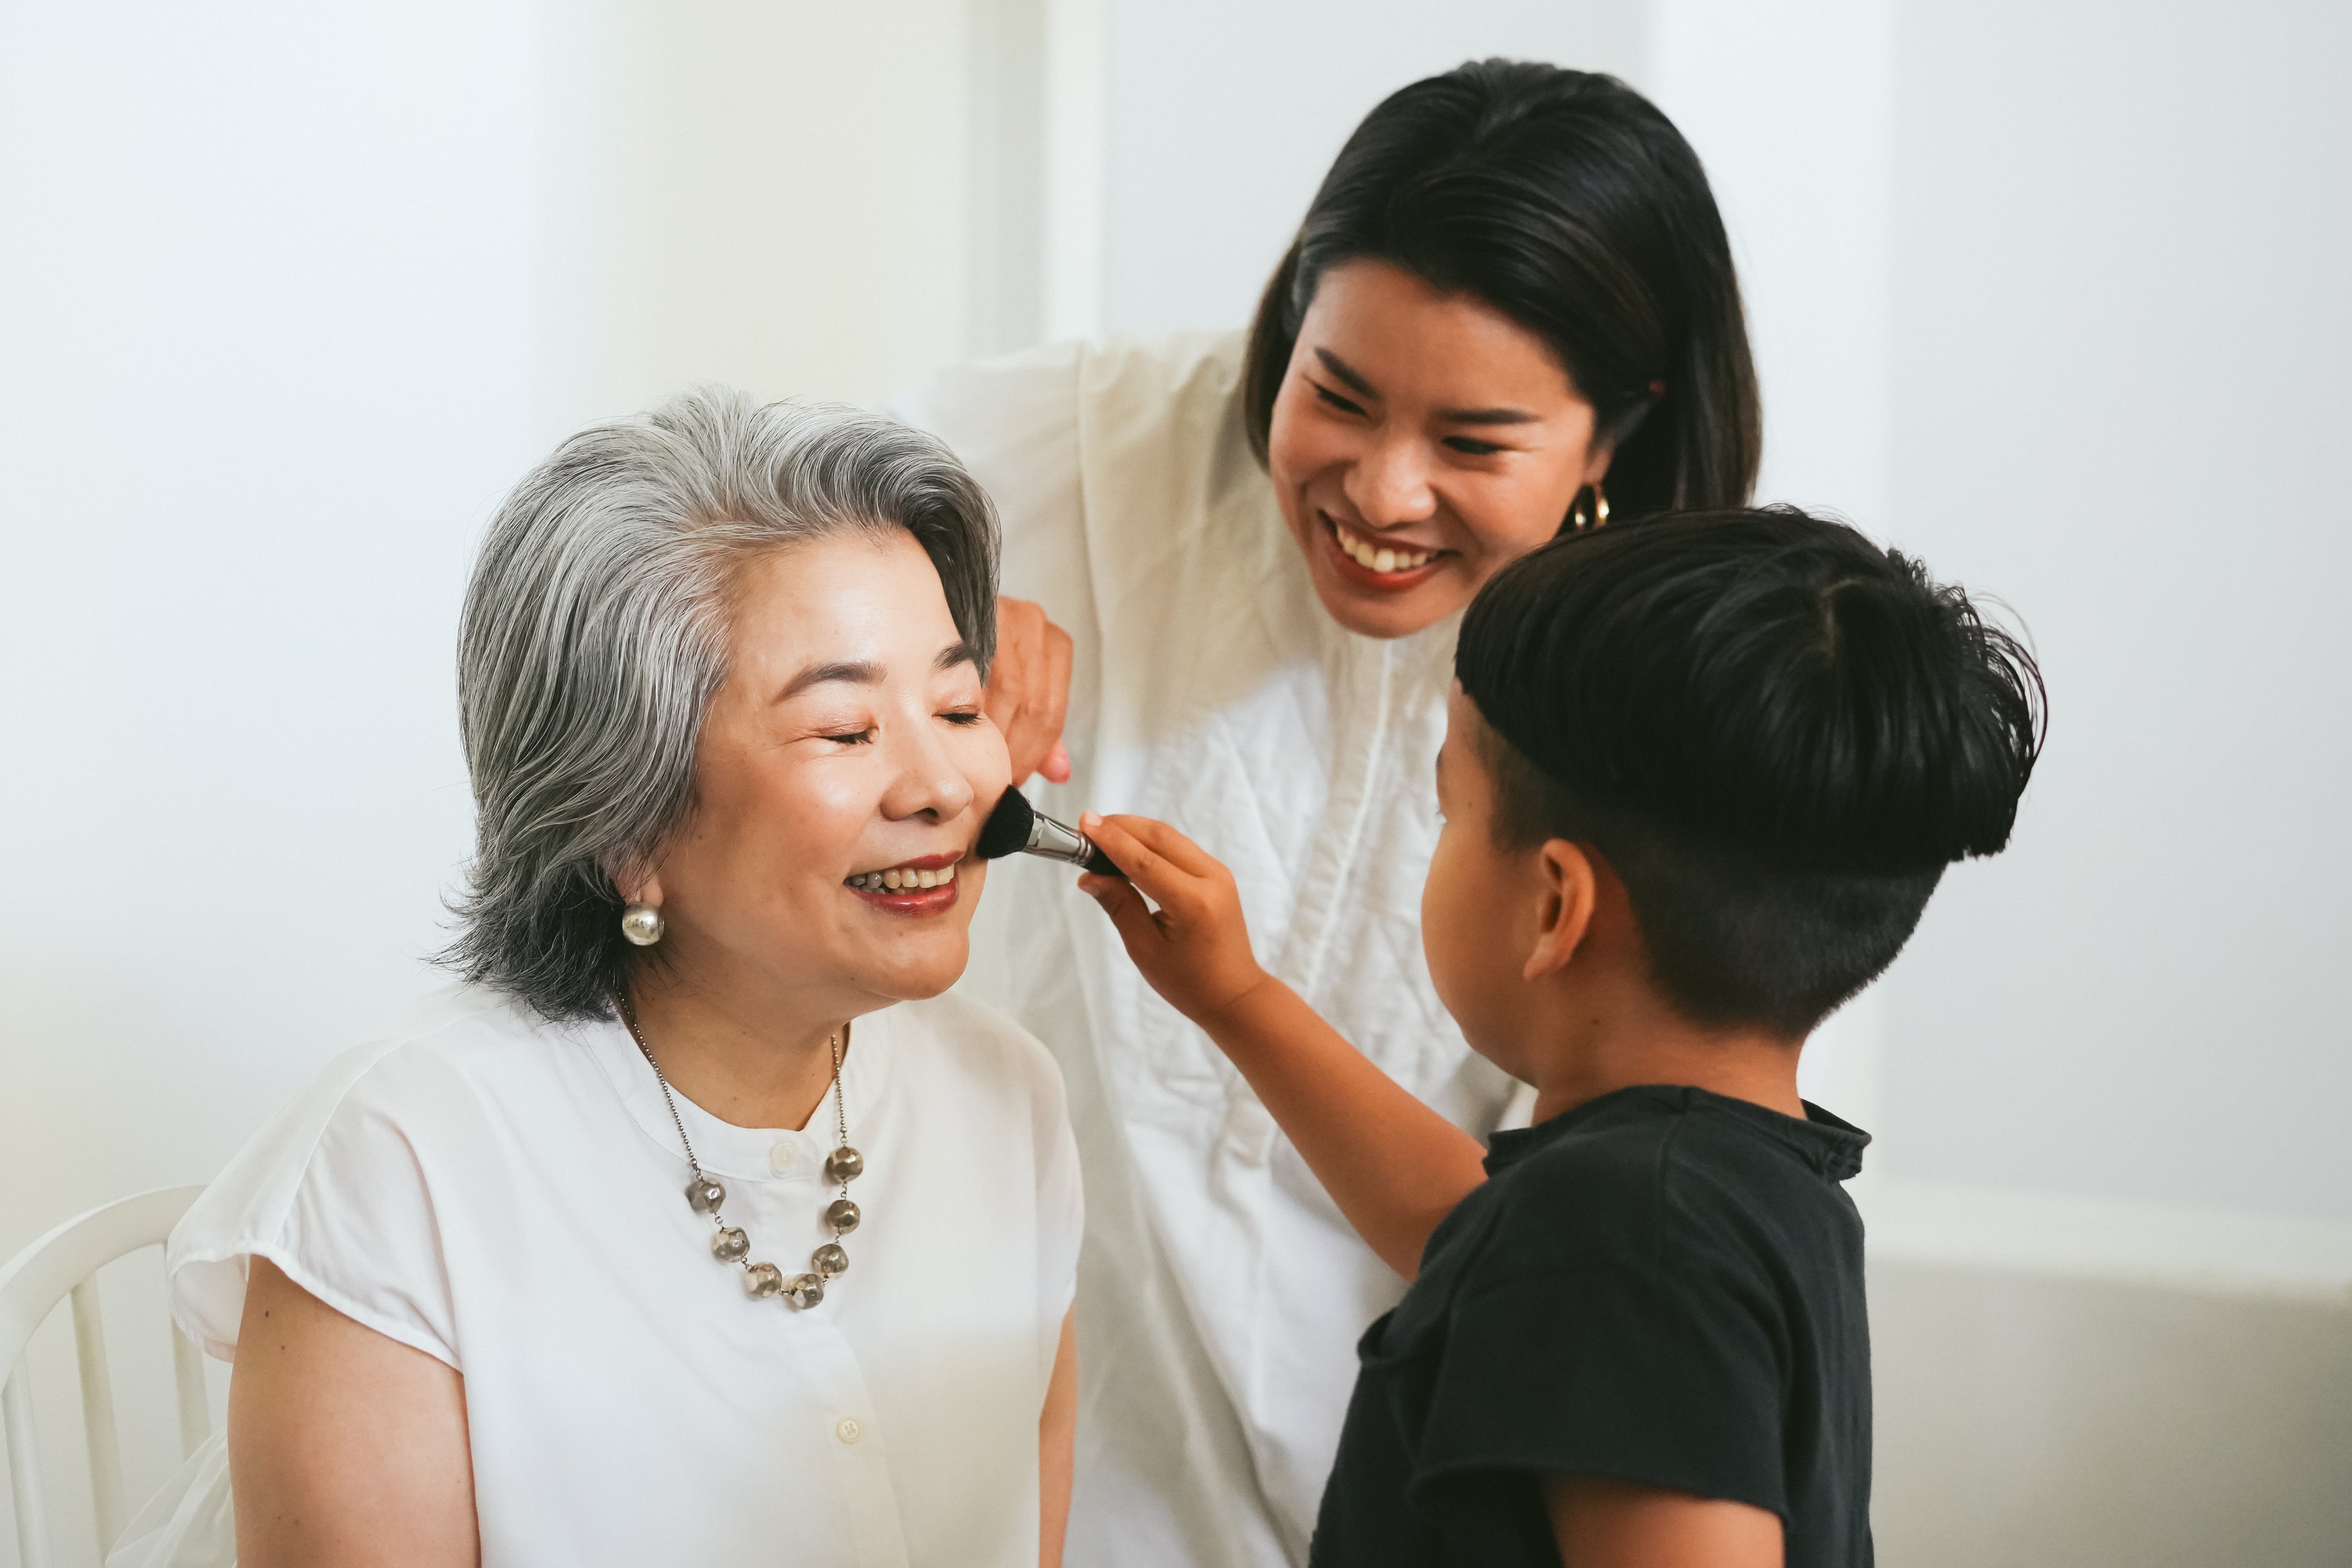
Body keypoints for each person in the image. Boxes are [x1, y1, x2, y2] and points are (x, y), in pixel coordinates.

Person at [891, 59, 1759, 1565]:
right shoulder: (1076, 446)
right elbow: (704, 581)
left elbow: (1581, 1244)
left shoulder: (1693, 700)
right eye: (1334, 392)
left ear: (1621, 433)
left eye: (1475, 444)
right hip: (1017, 1431)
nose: (1380, 491)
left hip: (1408, 1476)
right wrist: (911, 613)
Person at [150, 390, 1083, 1568]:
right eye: (846, 730)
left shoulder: (1011, 1098)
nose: (949, 782)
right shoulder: (405, 1164)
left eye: (957, 705)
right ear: (628, 825)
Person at [1071, 507, 2046, 1567]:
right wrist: (1237, 997)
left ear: (1553, 908)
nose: (1436, 838)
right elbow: (1469, 1225)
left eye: (1448, 809)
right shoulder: (1725, 1180)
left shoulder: (1632, 1234)